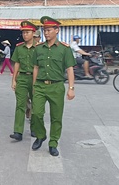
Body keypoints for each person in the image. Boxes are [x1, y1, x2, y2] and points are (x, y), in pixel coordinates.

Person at [32, 16, 75, 157]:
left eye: (49, 30)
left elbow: (69, 69)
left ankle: (53, 143)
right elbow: (36, 68)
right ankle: (41, 135)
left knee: (56, 117)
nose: (46, 33)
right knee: (36, 113)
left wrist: (71, 88)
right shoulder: (38, 48)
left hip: (56, 87)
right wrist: (34, 86)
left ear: (57, 30)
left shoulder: (64, 49)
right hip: (40, 85)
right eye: (45, 30)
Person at [10, 21, 37, 141]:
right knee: (20, 105)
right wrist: (14, 79)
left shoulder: (40, 48)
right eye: (23, 33)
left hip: (35, 79)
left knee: (36, 105)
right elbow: (17, 63)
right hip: (22, 78)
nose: (25, 35)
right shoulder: (19, 47)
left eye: (27, 32)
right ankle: (18, 131)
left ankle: (35, 128)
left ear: (33, 33)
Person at [26, 30, 42, 119]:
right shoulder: (27, 46)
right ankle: (28, 108)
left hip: (38, 76)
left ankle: (33, 115)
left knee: (35, 97)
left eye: (36, 37)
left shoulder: (42, 47)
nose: (35, 39)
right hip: (26, 75)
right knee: (25, 97)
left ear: (39, 38)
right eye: (34, 37)